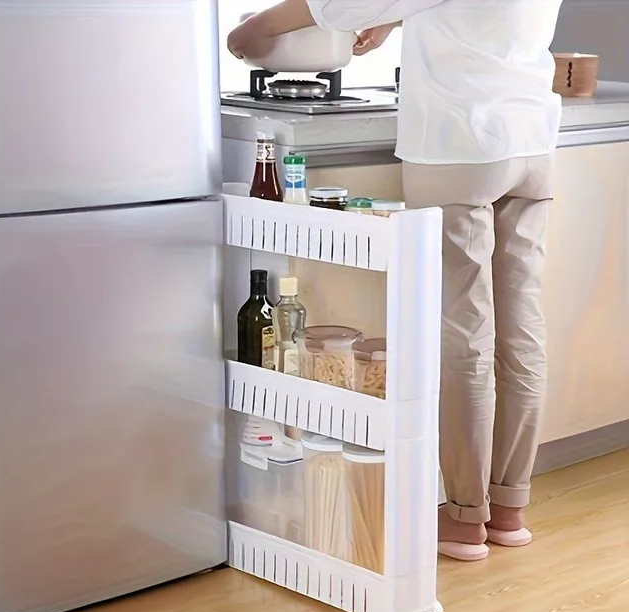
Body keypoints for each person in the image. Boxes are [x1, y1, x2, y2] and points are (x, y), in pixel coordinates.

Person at [228, 0, 564, 562]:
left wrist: (246, 33)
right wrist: (395, 18)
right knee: (522, 330)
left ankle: (463, 520)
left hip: (462, 141)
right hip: (532, 138)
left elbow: (331, 7)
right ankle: (509, 510)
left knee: (465, 334)